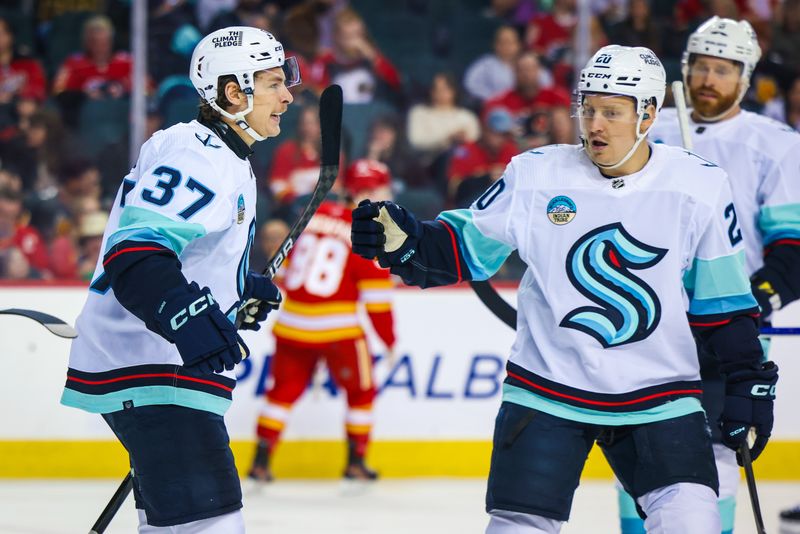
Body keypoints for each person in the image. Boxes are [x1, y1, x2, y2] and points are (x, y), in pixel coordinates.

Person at [351, 45, 778, 534]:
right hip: (546, 391)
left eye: (612, 113)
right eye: (588, 109)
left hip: (659, 393)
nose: (595, 125)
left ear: (650, 114)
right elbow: (462, 248)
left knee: (692, 524)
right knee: (517, 527)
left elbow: (722, 302)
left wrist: (748, 377)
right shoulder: (536, 174)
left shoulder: (698, 185)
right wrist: (408, 242)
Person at [60, 27, 299, 532]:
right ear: (234, 92)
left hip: (150, 365)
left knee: (173, 524)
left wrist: (232, 291)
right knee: (209, 524)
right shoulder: (201, 155)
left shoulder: (204, 147)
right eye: (276, 82)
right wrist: (185, 314)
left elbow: (177, 249)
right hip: (152, 367)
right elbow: (136, 251)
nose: (288, 95)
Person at [645, 17, 800, 534]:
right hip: (650, 320)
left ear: (746, 77)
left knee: (720, 449)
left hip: (730, 321)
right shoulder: (647, 131)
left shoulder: (776, 144)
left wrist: (746, 301)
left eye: (723, 70)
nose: (709, 79)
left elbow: (792, 250)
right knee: (641, 446)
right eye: (701, 67)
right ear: (685, 69)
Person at [250, 158, 396, 482]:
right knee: (362, 393)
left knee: (282, 392)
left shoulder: (313, 218)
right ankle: (356, 462)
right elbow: (377, 300)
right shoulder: (368, 234)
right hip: (339, 330)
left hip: (292, 325)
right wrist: (389, 340)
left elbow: (285, 272)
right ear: (370, 192)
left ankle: (261, 461)